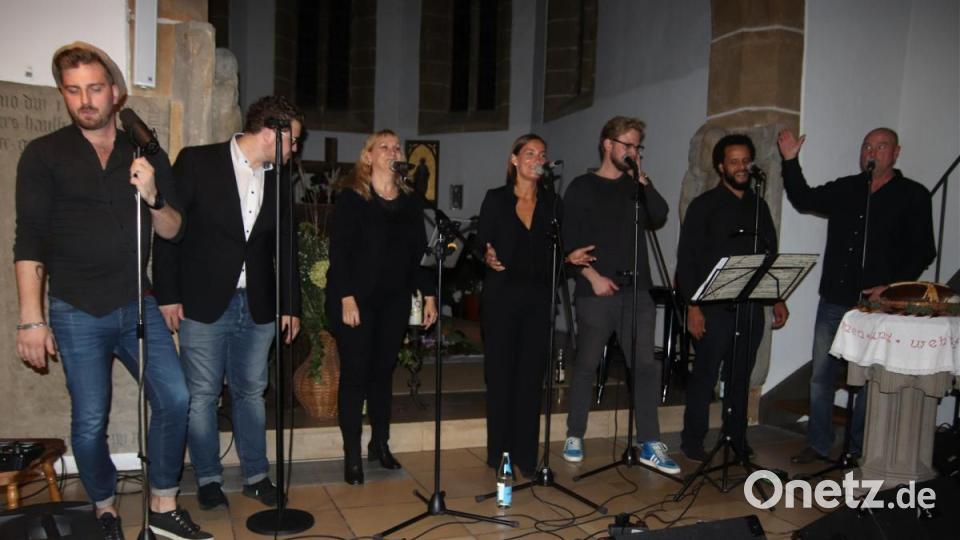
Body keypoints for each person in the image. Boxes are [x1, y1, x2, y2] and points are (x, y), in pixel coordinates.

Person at [14, 42, 210, 540]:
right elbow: (29, 239)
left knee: (175, 396)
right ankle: (103, 509)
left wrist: (154, 196)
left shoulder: (143, 152)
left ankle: (163, 506)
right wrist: (32, 320)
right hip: (75, 309)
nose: (85, 100)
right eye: (73, 90)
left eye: (95, 88)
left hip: (137, 303)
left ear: (116, 93)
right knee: (88, 422)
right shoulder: (44, 154)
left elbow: (173, 231)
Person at [153, 96, 304, 510]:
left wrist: (290, 305)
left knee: (252, 392)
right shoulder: (198, 162)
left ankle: (256, 476)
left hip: (258, 304)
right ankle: (208, 479)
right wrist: (167, 293)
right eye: (293, 141)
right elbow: (168, 229)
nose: (295, 150)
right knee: (202, 395)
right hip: (203, 301)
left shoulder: (277, 178)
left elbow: (285, 244)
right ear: (271, 132)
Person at [778, 127, 936, 464]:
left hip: (877, 306)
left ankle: (857, 449)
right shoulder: (848, 188)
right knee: (821, 376)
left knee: (866, 382)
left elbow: (923, 250)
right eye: (867, 146)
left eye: (881, 146)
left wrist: (892, 287)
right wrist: (791, 160)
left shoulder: (914, 195)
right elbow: (804, 199)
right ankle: (819, 443)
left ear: (896, 153)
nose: (872, 152)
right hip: (834, 298)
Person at [560, 116, 680, 474]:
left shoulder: (635, 187)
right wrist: (591, 277)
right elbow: (568, 242)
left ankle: (649, 443)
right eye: (627, 145)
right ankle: (575, 433)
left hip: (637, 290)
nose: (632, 151)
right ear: (607, 144)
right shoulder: (581, 187)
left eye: (637, 146)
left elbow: (659, 214)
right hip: (595, 290)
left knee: (644, 365)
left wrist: (643, 179)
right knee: (587, 363)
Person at [324, 130, 438, 485]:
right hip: (355, 300)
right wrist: (345, 296)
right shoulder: (351, 198)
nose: (393, 151)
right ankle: (351, 455)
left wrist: (429, 295)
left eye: (396, 146)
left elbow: (418, 252)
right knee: (356, 375)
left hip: (394, 299)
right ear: (369, 156)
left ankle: (380, 445)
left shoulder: (409, 201)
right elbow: (339, 251)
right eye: (384, 146)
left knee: (382, 374)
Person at [478, 134, 595, 478]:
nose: (537, 159)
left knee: (530, 380)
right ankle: (499, 453)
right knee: (501, 379)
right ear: (514, 160)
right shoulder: (496, 199)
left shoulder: (552, 205)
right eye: (529, 153)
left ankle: (526, 456)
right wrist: (486, 255)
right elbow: (479, 242)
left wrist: (570, 257)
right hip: (501, 300)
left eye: (542, 154)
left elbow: (555, 256)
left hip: (537, 300)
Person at [676, 134, 789, 462]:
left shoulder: (758, 206)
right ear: (720, 166)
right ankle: (692, 440)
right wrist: (693, 307)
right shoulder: (704, 205)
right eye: (734, 161)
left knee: (740, 375)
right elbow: (687, 260)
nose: (741, 167)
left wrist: (776, 298)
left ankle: (735, 436)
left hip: (750, 307)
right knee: (705, 375)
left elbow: (770, 254)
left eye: (745, 161)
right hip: (712, 308)